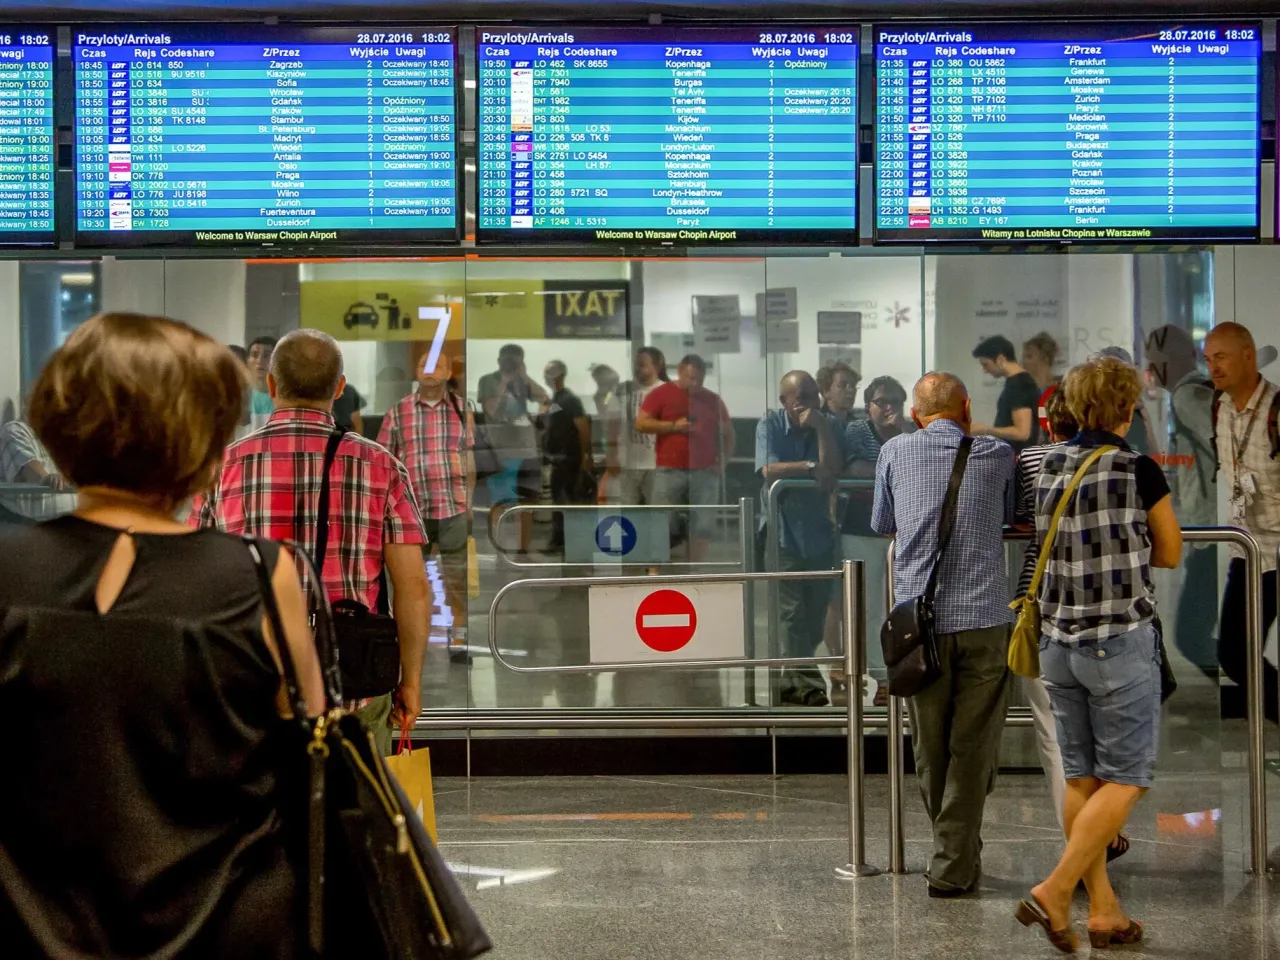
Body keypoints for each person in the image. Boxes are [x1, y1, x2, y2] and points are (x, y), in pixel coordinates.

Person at [0, 312, 323, 957]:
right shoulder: (262, 575)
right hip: (229, 927)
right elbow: (308, 750)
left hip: (33, 928)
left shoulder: (7, 573)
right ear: (205, 442)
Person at [194, 328, 431, 755]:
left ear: (270, 384)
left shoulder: (222, 467)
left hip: (254, 679)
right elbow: (412, 585)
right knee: (354, 809)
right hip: (353, 678)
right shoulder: (381, 466)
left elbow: (197, 580)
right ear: (340, 388)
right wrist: (409, 680)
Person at [1018, 356, 1181, 953]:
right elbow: (1168, 551)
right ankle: (1056, 889)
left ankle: (1104, 911)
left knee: (1081, 775)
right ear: (1127, 409)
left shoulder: (1050, 465)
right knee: (1129, 777)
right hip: (1117, 640)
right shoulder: (1138, 468)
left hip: (1058, 644)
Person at [872, 372, 1015, 898]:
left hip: (919, 625)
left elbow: (882, 521)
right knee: (973, 746)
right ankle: (955, 859)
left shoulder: (894, 453)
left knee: (930, 746)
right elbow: (1008, 517)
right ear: (967, 409)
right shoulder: (996, 454)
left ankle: (954, 855)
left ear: (915, 414)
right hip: (982, 620)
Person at [1204, 322, 1280, 723]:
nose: (1213, 367)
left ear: (1248, 355)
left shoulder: (1276, 410)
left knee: (1240, 652)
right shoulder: (1221, 407)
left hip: (1277, 551)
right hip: (1245, 548)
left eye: (1221, 357)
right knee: (1234, 654)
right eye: (1208, 359)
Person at [379, 350, 475, 665]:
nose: (430, 370)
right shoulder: (398, 412)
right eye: (424, 364)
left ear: (449, 373)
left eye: (438, 365)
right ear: (416, 371)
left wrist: (470, 500)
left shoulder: (463, 410)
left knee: (455, 578)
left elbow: (468, 457)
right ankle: (406, 640)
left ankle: (459, 637)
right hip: (410, 511)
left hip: (453, 506)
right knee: (408, 581)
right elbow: (383, 461)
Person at [756, 371, 845, 706]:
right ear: (785, 402)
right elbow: (768, 469)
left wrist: (821, 428)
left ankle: (789, 681)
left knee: (815, 612)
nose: (809, 403)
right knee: (791, 612)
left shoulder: (830, 425)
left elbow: (832, 471)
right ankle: (810, 685)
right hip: (783, 533)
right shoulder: (770, 425)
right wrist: (808, 466)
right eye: (801, 397)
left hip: (819, 532)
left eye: (813, 395)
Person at [1147, 324, 1218, 673]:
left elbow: (1220, 444)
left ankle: (1247, 696)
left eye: (1154, 360)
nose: (1150, 369)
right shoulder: (1192, 392)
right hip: (1211, 528)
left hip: (1213, 530)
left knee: (1191, 634)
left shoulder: (1188, 396)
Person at [838, 375, 910, 705]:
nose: (889, 407)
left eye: (896, 400)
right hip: (861, 529)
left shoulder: (910, 431)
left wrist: (898, 438)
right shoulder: (855, 431)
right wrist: (894, 461)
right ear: (869, 406)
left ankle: (905, 671)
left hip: (903, 530)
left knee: (902, 604)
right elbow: (854, 468)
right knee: (870, 608)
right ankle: (881, 677)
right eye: (882, 401)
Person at [637, 354, 735, 561]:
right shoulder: (661, 394)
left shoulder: (712, 400)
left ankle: (695, 568)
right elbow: (642, 423)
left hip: (705, 471)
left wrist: (722, 462)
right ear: (680, 372)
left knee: (703, 524)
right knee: (661, 520)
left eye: (699, 379)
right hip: (669, 469)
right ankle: (657, 567)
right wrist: (673, 426)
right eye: (691, 378)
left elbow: (728, 434)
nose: (695, 384)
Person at [477, 343, 548, 556]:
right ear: (499, 361)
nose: (510, 365)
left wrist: (524, 378)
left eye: (515, 362)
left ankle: (522, 549)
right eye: (507, 361)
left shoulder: (523, 382)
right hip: (501, 451)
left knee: (526, 501)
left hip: (526, 450)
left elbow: (544, 398)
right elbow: (492, 411)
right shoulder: (488, 380)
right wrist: (504, 382)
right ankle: (499, 548)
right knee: (500, 501)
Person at [604, 346, 668, 506]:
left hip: (657, 464)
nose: (637, 369)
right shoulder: (622, 390)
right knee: (627, 511)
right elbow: (612, 426)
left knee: (656, 510)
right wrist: (611, 455)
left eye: (642, 364)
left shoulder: (667, 391)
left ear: (657, 366)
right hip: (627, 463)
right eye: (636, 364)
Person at [543, 360, 594, 551]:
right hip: (558, 459)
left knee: (566, 500)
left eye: (551, 373)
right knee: (560, 500)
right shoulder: (556, 399)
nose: (548, 377)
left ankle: (566, 542)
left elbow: (582, 427)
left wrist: (586, 456)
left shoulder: (569, 400)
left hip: (568, 459)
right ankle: (560, 541)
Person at [0, 407, 76, 519]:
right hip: (30, 519)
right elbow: (32, 473)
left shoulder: (53, 438)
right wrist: (47, 478)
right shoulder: (15, 429)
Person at [971, 334, 1040, 453]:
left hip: (1017, 459)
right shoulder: (1017, 382)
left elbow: (1022, 433)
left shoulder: (1019, 385)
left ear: (1000, 359)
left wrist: (985, 430)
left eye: (986, 364)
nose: (985, 370)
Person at [245, 335, 277, 430]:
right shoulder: (241, 398)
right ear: (247, 361)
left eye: (267, 355)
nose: (259, 360)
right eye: (255, 355)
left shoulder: (285, 399)